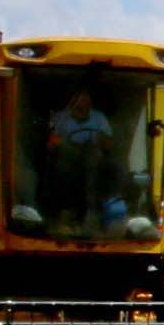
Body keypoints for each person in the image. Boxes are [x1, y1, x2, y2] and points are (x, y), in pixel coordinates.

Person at [42, 88, 113, 230]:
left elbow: (110, 144)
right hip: (67, 159)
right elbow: (51, 143)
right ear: (72, 103)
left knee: (95, 162)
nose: (83, 107)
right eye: (79, 104)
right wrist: (63, 143)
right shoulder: (60, 118)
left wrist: (100, 138)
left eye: (86, 103)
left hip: (91, 159)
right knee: (64, 164)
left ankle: (92, 213)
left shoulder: (99, 118)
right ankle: (64, 212)